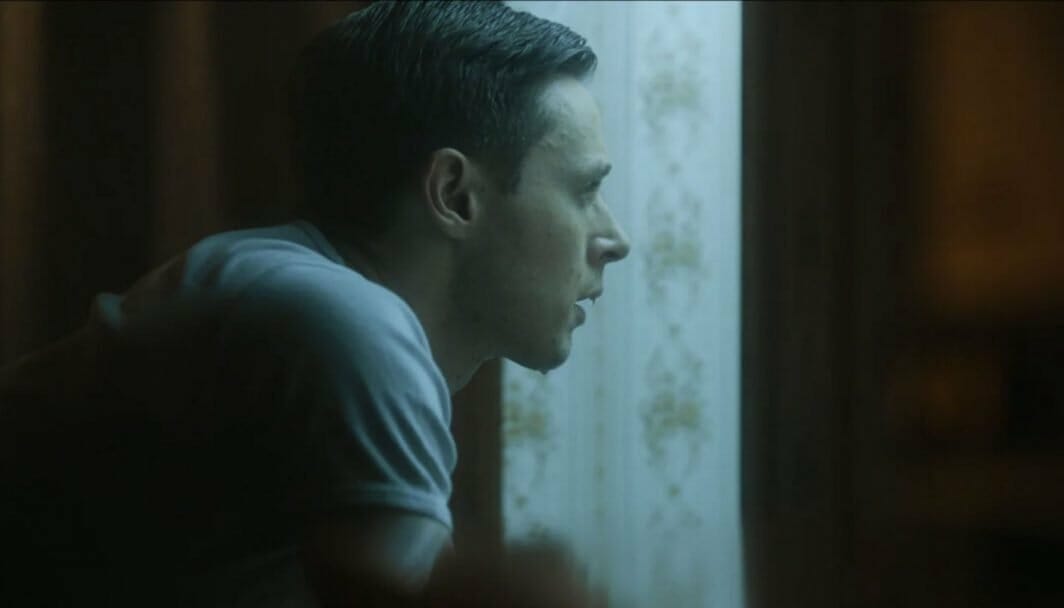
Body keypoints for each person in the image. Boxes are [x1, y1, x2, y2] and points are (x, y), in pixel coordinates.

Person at [0, 1, 630, 606]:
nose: (615, 240)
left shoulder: (281, 290)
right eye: (584, 191)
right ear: (455, 194)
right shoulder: (346, 325)